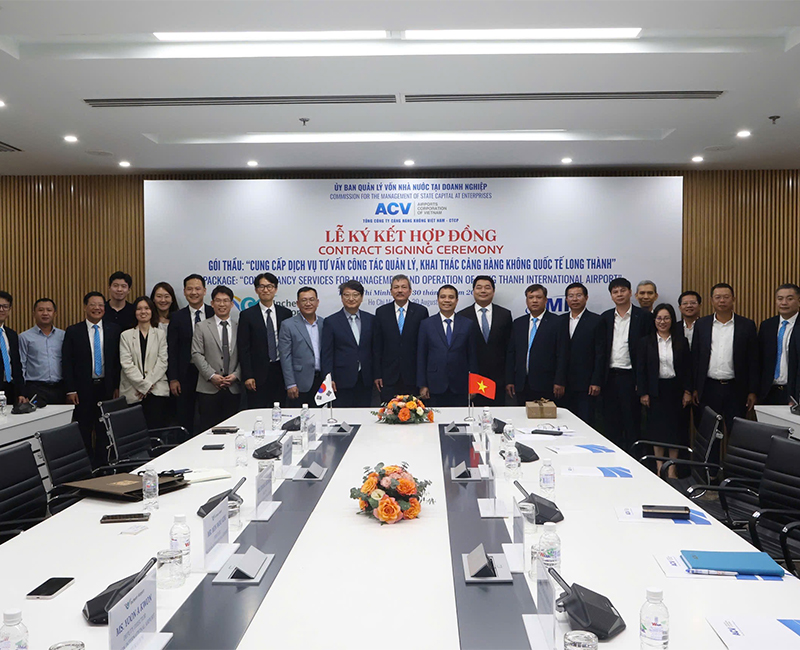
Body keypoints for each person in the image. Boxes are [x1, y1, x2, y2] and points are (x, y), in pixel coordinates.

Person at [691, 283, 758, 449]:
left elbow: (753, 360)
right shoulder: (701, 324)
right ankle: (711, 467)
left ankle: (734, 466)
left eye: (726, 297)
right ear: (711, 300)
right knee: (710, 433)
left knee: (737, 434)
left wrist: (752, 391)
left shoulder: (747, 325)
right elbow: (696, 358)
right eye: (718, 297)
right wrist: (694, 387)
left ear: (733, 299)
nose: (722, 301)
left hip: (736, 388)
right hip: (708, 387)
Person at [62, 291, 121, 464]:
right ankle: (87, 466)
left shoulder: (114, 330)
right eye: (93, 305)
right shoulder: (74, 331)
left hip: (106, 387)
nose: (97, 308)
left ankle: (103, 464)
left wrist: (116, 386)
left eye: (101, 305)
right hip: (82, 389)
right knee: (84, 428)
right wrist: (70, 389)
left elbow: (117, 361)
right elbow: (67, 362)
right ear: (85, 307)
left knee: (105, 429)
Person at [636, 303, 693, 478]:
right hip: (655, 390)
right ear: (654, 320)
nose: (662, 322)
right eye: (659, 318)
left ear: (672, 320)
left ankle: (672, 468)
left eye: (666, 318)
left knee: (675, 431)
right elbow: (641, 369)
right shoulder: (645, 342)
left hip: (675, 390)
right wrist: (643, 392)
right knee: (657, 431)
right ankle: (659, 467)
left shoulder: (681, 341)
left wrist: (687, 391)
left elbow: (688, 368)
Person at [600, 277, 655, 452]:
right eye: (615, 292)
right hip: (610, 378)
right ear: (611, 295)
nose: (619, 294)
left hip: (631, 378)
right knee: (611, 424)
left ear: (631, 293)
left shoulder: (644, 317)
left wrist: (642, 381)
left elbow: (649, 352)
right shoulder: (605, 317)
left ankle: (635, 459)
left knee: (633, 424)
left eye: (622, 290)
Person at [167, 274, 215, 434]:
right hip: (185, 373)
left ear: (204, 291)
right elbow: (172, 350)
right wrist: (173, 378)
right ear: (184, 291)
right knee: (185, 416)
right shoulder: (177, 317)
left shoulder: (213, 312)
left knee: (208, 415)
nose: (194, 292)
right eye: (190, 289)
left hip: (210, 372)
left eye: (197, 289)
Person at [417, 284, 478, 407]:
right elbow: (421, 356)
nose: (447, 300)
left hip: (461, 385)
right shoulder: (426, 324)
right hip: (434, 384)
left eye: (451, 297)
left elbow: (473, 357)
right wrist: (422, 384)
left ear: (456, 300)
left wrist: (474, 385)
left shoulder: (467, 324)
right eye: (443, 297)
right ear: (438, 299)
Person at [238, 273, 292, 408]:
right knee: (257, 411)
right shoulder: (247, 315)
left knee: (281, 410)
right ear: (256, 290)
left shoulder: (285, 313)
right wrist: (248, 375)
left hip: (280, 371)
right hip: (257, 375)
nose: (266, 290)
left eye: (269, 286)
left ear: (275, 289)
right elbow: (243, 348)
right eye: (261, 286)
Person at [506, 284, 567, 405]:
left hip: (547, 384)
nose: (534, 301)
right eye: (531, 297)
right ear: (526, 301)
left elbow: (562, 354)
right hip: (522, 384)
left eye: (538, 297)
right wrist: (510, 380)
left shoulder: (557, 322)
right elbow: (511, 353)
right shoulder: (518, 323)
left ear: (546, 300)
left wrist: (559, 381)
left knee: (545, 416)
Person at [457, 275, 512, 406]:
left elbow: (510, 349)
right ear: (473, 291)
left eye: (487, 287)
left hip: (498, 379)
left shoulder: (504, 314)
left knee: (496, 415)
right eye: (479, 287)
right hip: (473, 379)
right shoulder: (462, 316)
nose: (483, 291)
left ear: (493, 291)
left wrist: (509, 379)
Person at [192, 285, 241, 431]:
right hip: (209, 388)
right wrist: (212, 375)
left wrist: (236, 375)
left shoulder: (239, 326)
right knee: (208, 430)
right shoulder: (201, 326)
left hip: (233, 387)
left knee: (232, 430)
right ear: (212, 303)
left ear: (232, 304)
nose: (222, 304)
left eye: (226, 301)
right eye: (218, 301)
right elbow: (196, 354)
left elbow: (245, 354)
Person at [373, 274, 429, 402]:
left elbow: (424, 346)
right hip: (388, 377)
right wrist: (377, 374)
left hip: (413, 376)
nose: (400, 290)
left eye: (404, 287)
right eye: (396, 287)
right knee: (389, 411)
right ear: (391, 291)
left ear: (410, 291)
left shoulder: (421, 311)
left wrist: (423, 379)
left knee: (414, 411)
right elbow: (377, 346)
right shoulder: (381, 312)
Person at [321, 280, 374, 407]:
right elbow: (327, 353)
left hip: (366, 379)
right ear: (341, 297)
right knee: (342, 415)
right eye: (347, 295)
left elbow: (375, 350)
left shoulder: (371, 320)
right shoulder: (331, 322)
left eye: (355, 295)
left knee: (364, 414)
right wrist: (329, 378)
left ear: (361, 297)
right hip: (341, 380)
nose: (351, 299)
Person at [119, 296, 169, 429]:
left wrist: (147, 385)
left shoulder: (160, 334)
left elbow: (162, 362)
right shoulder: (125, 335)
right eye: (139, 309)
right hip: (134, 391)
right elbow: (126, 364)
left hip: (156, 390)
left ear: (152, 311)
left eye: (146, 308)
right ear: (134, 312)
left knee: (156, 430)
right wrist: (142, 385)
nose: (143, 312)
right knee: (135, 432)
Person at [560, 283, 605, 426]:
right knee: (564, 422)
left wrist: (596, 381)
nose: (574, 299)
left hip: (586, 384)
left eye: (578, 295)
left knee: (585, 422)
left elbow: (600, 354)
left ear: (586, 298)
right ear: (566, 299)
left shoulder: (596, 320)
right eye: (571, 296)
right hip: (564, 384)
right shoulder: (560, 321)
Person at [279, 287, 325, 407]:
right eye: (304, 300)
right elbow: (285, 356)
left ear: (317, 302)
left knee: (321, 415)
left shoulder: (324, 323)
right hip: (299, 382)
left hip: (322, 381)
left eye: (311, 299)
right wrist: (290, 384)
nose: (308, 303)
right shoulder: (288, 325)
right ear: (298, 303)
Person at [757, 283, 800, 405]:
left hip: (794, 393)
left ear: (799, 301)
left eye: (789, 299)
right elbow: (759, 359)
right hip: (769, 392)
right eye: (780, 299)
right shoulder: (767, 325)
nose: (784, 303)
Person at [18, 297, 66, 405]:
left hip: (60, 388)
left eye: (49, 310)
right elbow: (22, 366)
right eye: (40, 310)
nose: (45, 313)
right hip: (35, 388)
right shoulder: (24, 337)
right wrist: (22, 392)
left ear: (55, 314)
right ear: (34, 314)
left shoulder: (63, 336)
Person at [0, 291, 26, 404]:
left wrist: (21, 392)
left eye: (5, 306)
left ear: (9, 310)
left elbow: (16, 365)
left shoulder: (11, 334)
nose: (1, 310)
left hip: (10, 388)